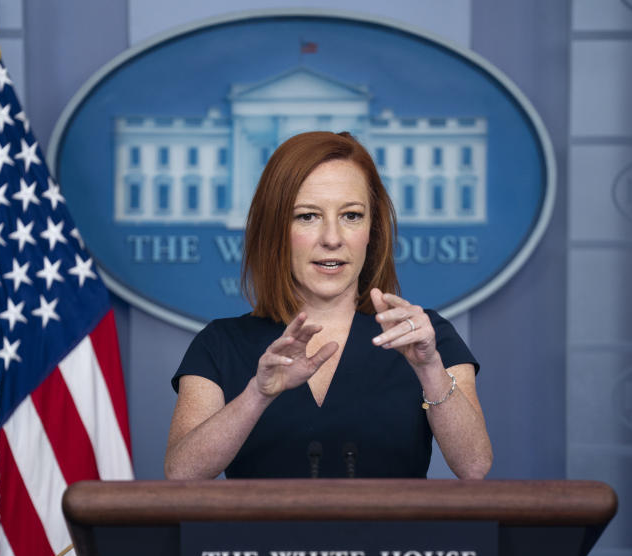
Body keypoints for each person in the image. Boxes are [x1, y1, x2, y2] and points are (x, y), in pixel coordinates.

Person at [166, 131, 492, 480]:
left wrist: (430, 371)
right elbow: (182, 473)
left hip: (395, 537)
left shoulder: (424, 336)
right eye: (307, 216)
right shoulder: (221, 343)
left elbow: (474, 467)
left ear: (373, 230)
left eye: (351, 216)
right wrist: (256, 396)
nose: (333, 239)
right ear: (274, 229)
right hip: (257, 537)